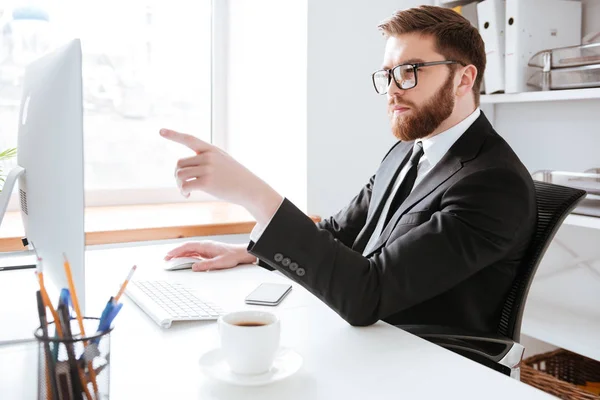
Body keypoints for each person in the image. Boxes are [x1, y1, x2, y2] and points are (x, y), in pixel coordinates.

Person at [159, 5, 536, 333]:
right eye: (387, 74)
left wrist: (251, 193)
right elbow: (338, 232)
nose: (392, 89)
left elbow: (368, 296)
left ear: (464, 79)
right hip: (366, 341)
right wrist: (250, 252)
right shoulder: (406, 152)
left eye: (409, 71)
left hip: (423, 360)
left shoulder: (493, 183)